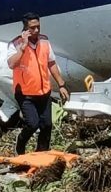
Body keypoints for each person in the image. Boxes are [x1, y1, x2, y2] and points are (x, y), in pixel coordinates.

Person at [7, 12, 70, 155]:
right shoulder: (15, 44)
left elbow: (51, 63)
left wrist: (61, 85)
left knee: (47, 125)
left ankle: (42, 153)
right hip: (25, 93)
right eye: (32, 28)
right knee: (32, 124)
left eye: (38, 27)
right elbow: (11, 64)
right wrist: (23, 47)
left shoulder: (44, 42)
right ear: (25, 28)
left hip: (44, 92)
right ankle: (20, 145)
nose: (36, 31)